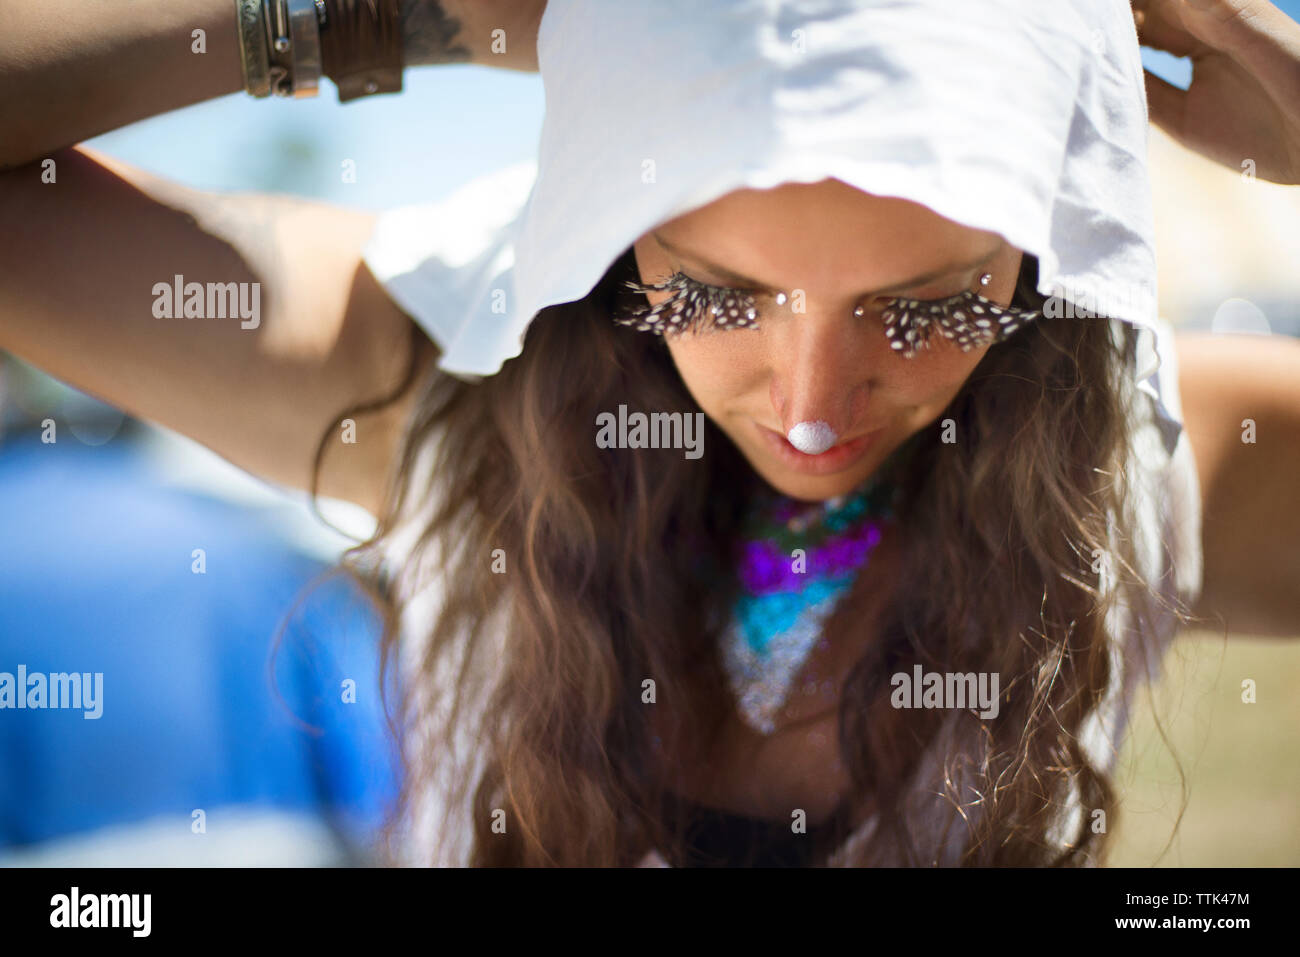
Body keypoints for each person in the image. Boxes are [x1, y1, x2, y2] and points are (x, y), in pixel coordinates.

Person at [0, 0, 1297, 868]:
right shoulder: (441, 387)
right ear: (613, 240)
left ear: (1043, 254)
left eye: (929, 306)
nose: (808, 403)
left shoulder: (1133, 462)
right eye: (716, 293)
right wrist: (441, 13)